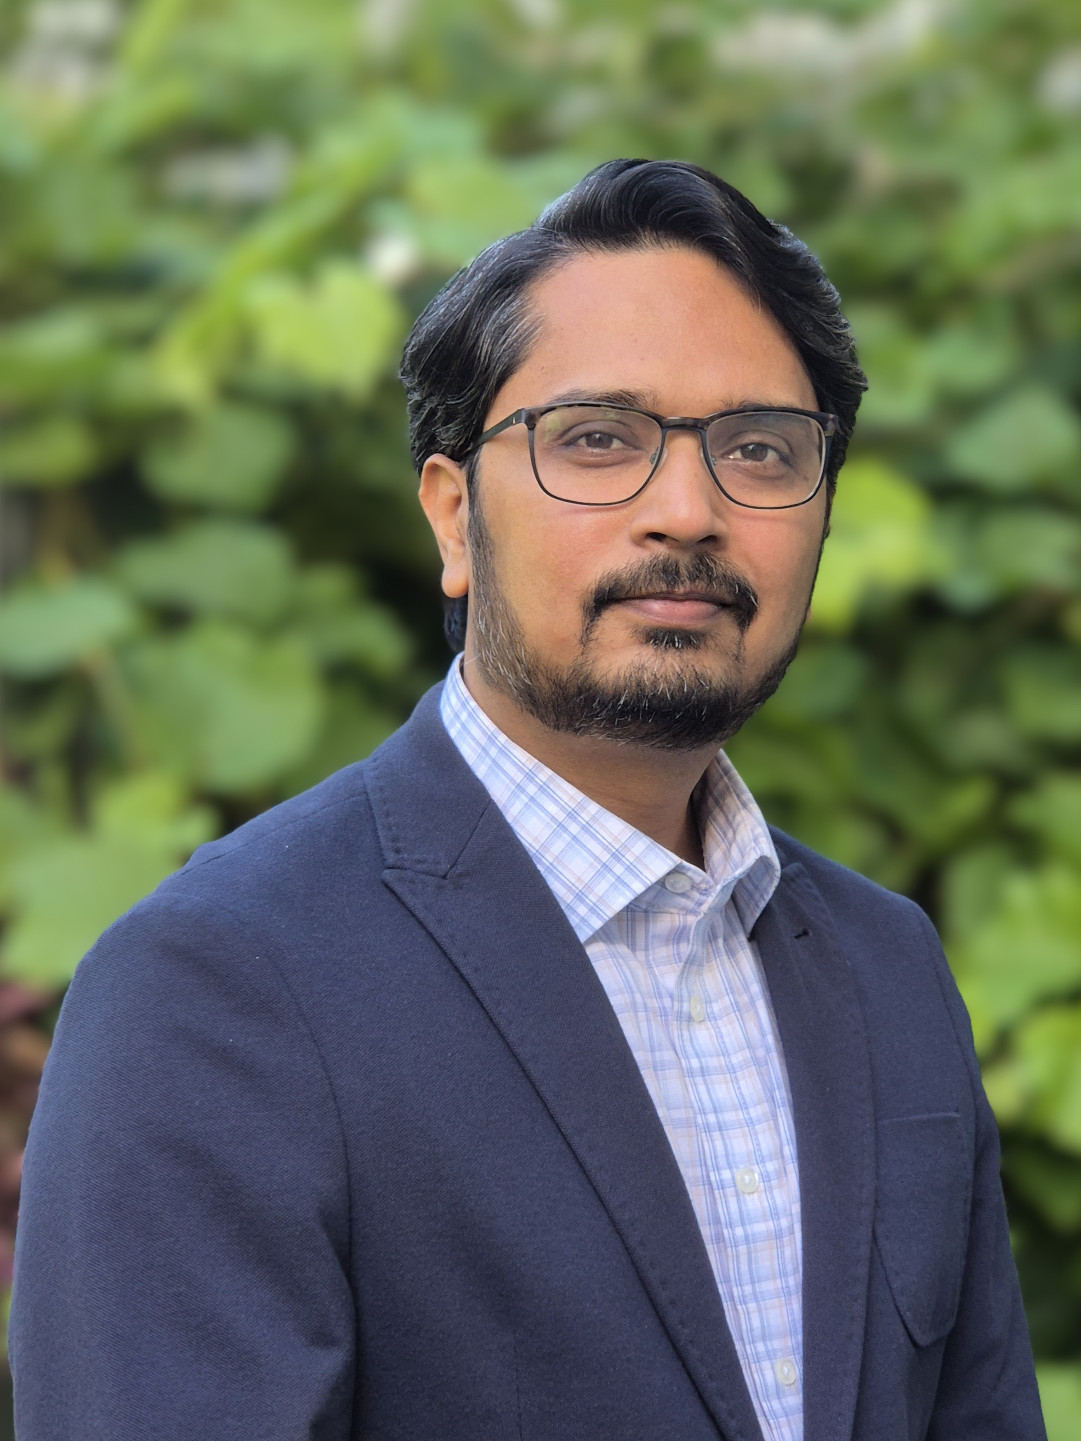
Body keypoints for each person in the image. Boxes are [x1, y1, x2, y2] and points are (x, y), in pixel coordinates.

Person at [11, 159, 1045, 1441]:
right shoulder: (216, 989)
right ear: (453, 517)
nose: (688, 511)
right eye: (597, 439)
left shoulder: (887, 968)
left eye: (761, 449)